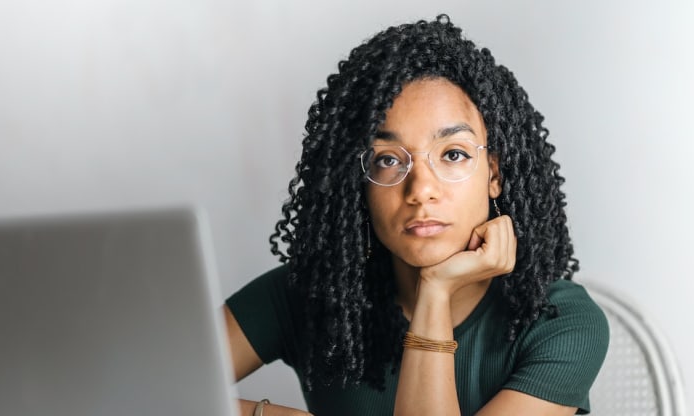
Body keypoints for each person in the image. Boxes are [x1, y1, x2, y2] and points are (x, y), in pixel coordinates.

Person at [225, 14, 609, 416]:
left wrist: (436, 291)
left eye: (454, 154)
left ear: (493, 174)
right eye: (389, 160)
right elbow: (157, 387)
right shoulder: (311, 294)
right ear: (360, 182)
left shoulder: (561, 321)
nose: (421, 189)